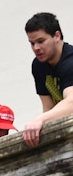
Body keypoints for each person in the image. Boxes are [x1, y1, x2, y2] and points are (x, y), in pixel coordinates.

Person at [23, 12, 73, 146]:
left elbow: (71, 102)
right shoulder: (38, 66)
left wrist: (39, 119)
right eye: (32, 43)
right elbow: (49, 108)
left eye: (41, 41)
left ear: (57, 36)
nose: (36, 48)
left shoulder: (70, 61)